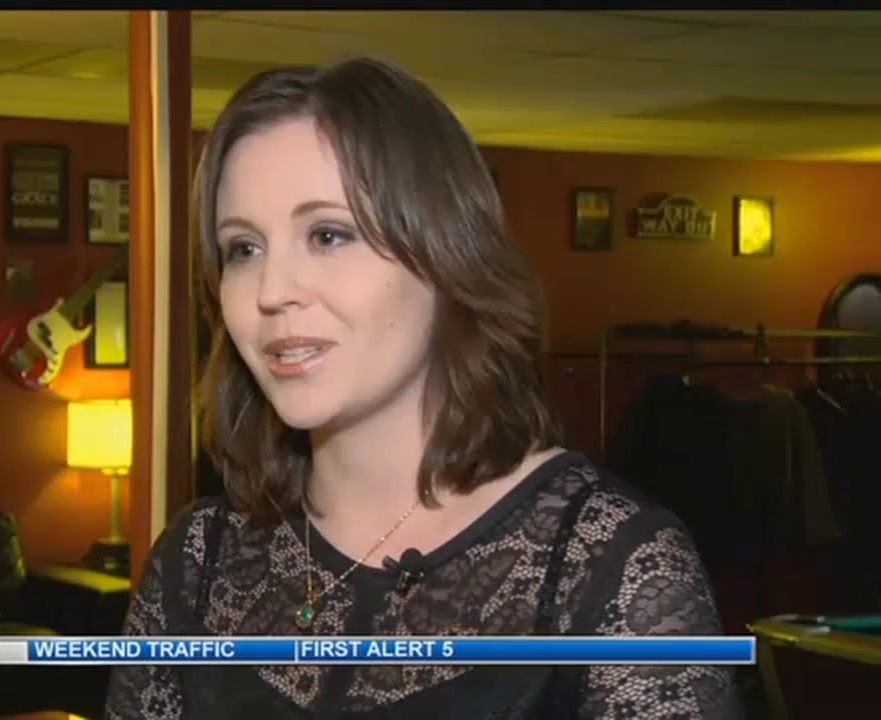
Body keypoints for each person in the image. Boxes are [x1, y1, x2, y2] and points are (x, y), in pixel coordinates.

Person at [105, 57, 741, 719]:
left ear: (445, 255)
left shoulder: (609, 564)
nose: (273, 291)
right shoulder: (200, 561)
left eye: (328, 235)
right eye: (243, 248)